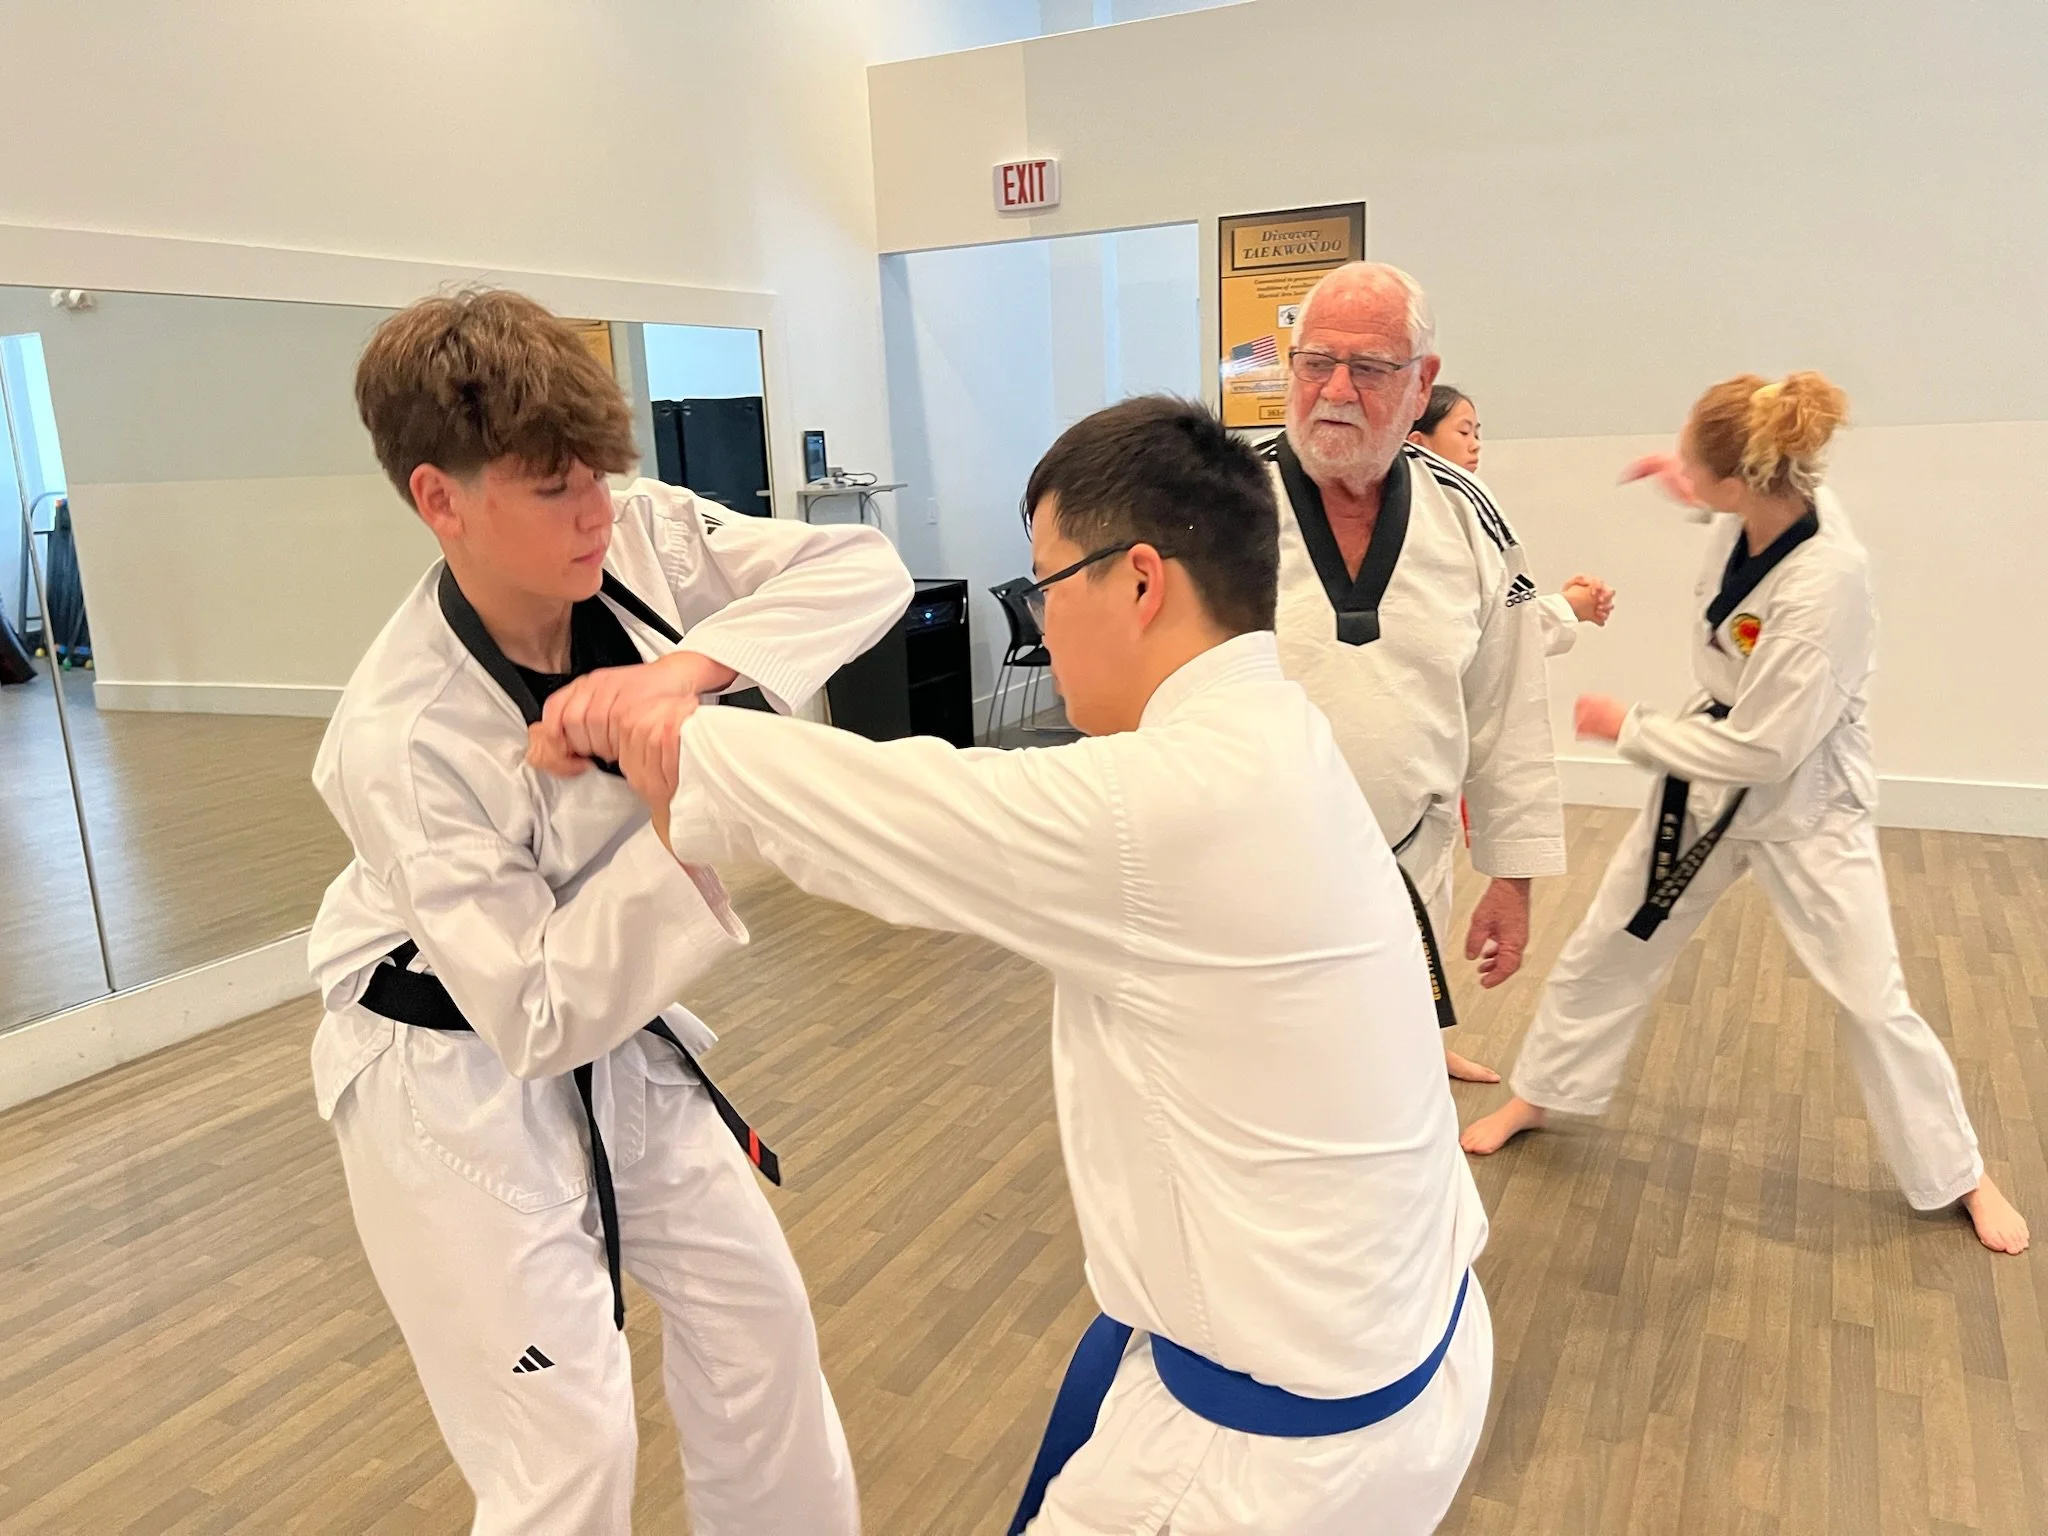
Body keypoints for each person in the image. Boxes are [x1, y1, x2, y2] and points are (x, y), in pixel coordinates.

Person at [532, 396, 1493, 1535]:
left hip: (1263, 1457)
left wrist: (646, 715)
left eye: (1044, 582)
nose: (1036, 611)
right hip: (1400, 1347)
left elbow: (897, 807)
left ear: (1137, 582)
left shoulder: (1170, 805)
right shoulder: (1277, 738)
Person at [306, 288, 913, 1533]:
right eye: (548, 486)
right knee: (566, 1448)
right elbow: (531, 1012)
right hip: (446, 1073)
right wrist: (699, 790)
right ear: (439, 499)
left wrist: (677, 678)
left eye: (598, 472)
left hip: (623, 1031)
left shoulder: (635, 536)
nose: (594, 511)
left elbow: (861, 564)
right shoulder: (401, 737)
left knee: (761, 1339)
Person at [1459, 371, 2029, 1256]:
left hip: (1804, 804)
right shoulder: (1765, 501)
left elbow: (1767, 751)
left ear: (1749, 481)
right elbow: (1718, 504)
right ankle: (1543, 1090)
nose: (1688, 478)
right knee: (1610, 939)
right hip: (1705, 777)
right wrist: (1680, 479)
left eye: (1697, 469)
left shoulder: (1828, 581)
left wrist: (1630, 729)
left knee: (1872, 999)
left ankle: (1960, 1172)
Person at [1268, 262, 1568, 1085]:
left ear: (1420, 381)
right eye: (1314, 363)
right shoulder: (1220, 506)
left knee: (1393, 1087)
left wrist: (1513, 879)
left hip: (1410, 866)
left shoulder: (1470, 518)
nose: (1334, 390)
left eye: (1368, 370)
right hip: (1247, 879)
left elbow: (1510, 711)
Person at [1409, 383, 1615, 657]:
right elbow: (1484, 634)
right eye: (1463, 432)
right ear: (1417, 444)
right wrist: (1569, 606)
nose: (1475, 445)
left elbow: (1495, 622)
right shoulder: (1422, 524)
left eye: (1477, 433)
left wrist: (1569, 607)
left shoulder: (1461, 512)